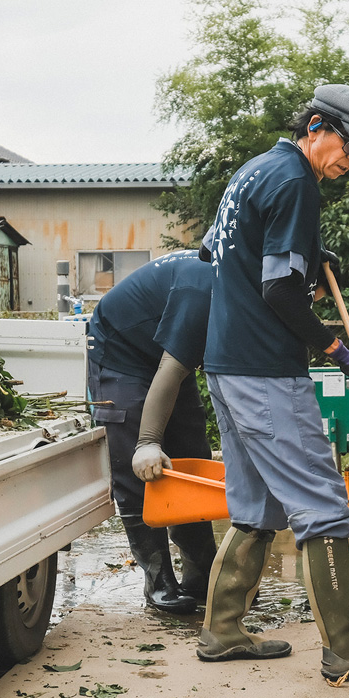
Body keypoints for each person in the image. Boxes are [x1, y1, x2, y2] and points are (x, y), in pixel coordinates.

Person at [195, 84, 349, 683]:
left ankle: (223, 630)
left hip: (224, 362)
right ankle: (347, 645)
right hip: (266, 368)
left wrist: (310, 254)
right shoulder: (296, 181)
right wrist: (338, 352)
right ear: (316, 126)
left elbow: (214, 252)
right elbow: (278, 291)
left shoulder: (252, 171)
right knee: (321, 503)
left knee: (257, 504)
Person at [87, 250, 220, 614]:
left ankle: (202, 572)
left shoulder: (240, 278)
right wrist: (148, 442)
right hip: (120, 351)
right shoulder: (202, 287)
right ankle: (158, 579)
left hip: (165, 350)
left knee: (190, 452)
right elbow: (172, 368)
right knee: (138, 464)